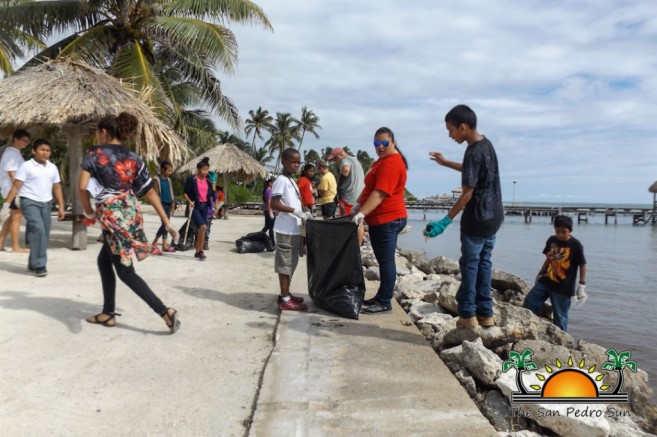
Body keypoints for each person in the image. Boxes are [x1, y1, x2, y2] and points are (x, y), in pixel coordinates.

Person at [78, 112, 180, 334]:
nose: (96, 136)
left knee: (125, 272)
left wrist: (88, 210)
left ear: (104, 132)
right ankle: (108, 313)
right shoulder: (134, 157)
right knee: (104, 261)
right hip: (131, 214)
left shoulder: (95, 153)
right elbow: (150, 193)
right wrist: (166, 221)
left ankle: (165, 312)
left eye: (97, 132)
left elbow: (82, 186)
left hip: (113, 218)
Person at [424, 104, 504, 329]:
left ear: (463, 127)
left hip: (477, 219)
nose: (450, 135)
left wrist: (446, 220)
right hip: (494, 216)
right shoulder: (486, 145)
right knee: (484, 263)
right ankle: (486, 313)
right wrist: (445, 162)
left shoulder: (473, 150)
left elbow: (467, 192)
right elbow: (472, 169)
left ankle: (468, 315)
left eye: (451, 130)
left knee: (470, 265)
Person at [352, 127, 408, 314]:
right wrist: (359, 204)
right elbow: (370, 188)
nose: (380, 147)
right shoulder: (381, 162)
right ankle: (381, 297)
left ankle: (385, 301)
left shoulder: (392, 163)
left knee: (386, 262)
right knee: (383, 260)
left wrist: (362, 213)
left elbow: (380, 192)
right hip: (380, 219)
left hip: (388, 218)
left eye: (385, 143)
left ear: (393, 142)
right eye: (377, 143)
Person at [0, 139, 65, 276]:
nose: (45, 153)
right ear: (34, 151)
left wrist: (61, 207)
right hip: (29, 201)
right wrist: (6, 204)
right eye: (42, 150)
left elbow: (57, 187)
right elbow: (16, 185)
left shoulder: (52, 167)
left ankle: (32, 262)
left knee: (44, 234)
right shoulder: (26, 166)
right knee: (38, 229)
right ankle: (40, 265)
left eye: (47, 150)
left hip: (46, 203)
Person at [523, 215, 587, 332]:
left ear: (570, 231)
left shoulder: (576, 245)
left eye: (564, 232)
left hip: (563, 287)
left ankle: (562, 342)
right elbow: (549, 259)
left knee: (560, 316)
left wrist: (582, 286)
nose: (561, 235)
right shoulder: (552, 240)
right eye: (558, 231)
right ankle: (532, 328)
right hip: (547, 280)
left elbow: (582, 265)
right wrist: (540, 274)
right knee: (530, 302)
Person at [270, 148, 314, 311]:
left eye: (298, 162)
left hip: (293, 229)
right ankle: (285, 299)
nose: (296, 165)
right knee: (285, 264)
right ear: (284, 162)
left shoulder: (291, 180)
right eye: (293, 162)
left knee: (291, 263)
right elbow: (274, 203)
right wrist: (293, 211)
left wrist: (302, 212)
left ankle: (286, 294)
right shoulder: (281, 179)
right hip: (285, 230)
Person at [0, 129, 31, 252]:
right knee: (17, 217)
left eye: (28, 141)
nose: (26, 143)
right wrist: (17, 192)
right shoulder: (11, 153)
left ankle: (1, 242)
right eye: (24, 140)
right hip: (11, 189)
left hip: (12, 189)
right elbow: (12, 173)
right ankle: (15, 246)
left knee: (12, 217)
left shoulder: (15, 152)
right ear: (15, 139)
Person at [183, 157, 214, 260]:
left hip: (205, 207)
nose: (205, 172)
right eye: (204, 170)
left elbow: (211, 194)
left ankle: (198, 251)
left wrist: (213, 206)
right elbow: (185, 193)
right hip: (195, 206)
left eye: (207, 170)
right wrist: (189, 202)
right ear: (198, 169)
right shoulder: (192, 179)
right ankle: (200, 251)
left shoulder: (208, 181)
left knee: (201, 229)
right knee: (203, 227)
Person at [327, 147, 364, 216]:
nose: (335, 161)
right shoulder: (355, 160)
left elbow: (346, 169)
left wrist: (339, 188)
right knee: (358, 221)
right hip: (359, 198)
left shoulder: (344, 160)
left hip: (348, 198)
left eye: (335, 159)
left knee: (346, 221)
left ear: (340, 155)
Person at [151, 160, 175, 254]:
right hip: (161, 204)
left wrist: (173, 204)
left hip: (168, 204)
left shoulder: (169, 180)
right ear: (162, 170)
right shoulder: (156, 179)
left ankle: (164, 244)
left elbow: (171, 192)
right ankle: (155, 242)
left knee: (166, 225)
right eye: (168, 170)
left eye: (171, 170)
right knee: (165, 224)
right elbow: (156, 194)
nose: (170, 172)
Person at [261, 178, 275, 246]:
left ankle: (259, 237)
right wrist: (270, 211)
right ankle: (272, 242)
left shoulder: (266, 190)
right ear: (270, 183)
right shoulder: (269, 190)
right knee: (271, 227)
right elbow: (269, 201)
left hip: (266, 210)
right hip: (269, 210)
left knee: (267, 226)